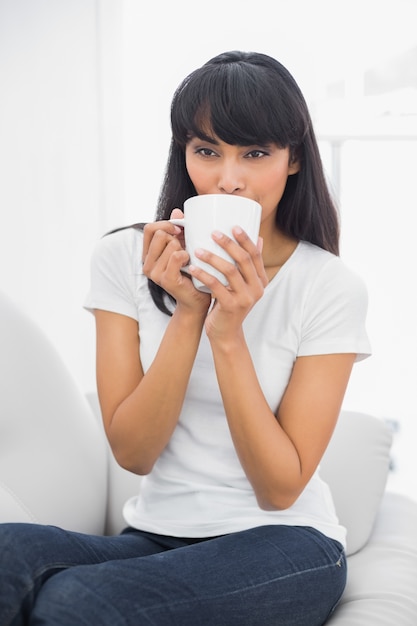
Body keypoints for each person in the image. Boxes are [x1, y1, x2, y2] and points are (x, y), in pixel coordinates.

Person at [0, 50, 371, 625]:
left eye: (255, 153)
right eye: (207, 151)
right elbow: (134, 452)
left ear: (292, 159)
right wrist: (189, 312)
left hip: (286, 544)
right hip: (156, 535)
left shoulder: (328, 285)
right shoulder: (125, 259)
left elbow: (280, 489)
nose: (229, 179)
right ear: (184, 155)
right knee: (7, 553)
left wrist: (228, 334)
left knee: (77, 602)